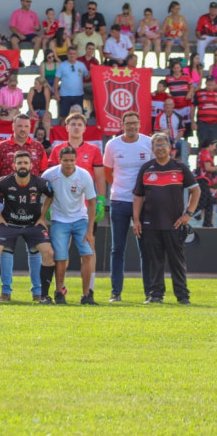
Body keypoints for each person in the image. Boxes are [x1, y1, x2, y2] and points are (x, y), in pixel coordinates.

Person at [0, 114, 49, 302]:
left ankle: (38, 293)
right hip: (8, 209)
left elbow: (47, 181)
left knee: (37, 251)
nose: (23, 129)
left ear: (30, 127)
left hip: (32, 209)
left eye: (26, 126)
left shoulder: (38, 147)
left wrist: (43, 215)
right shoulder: (1, 147)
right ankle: (5, 292)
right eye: (19, 126)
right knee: (4, 250)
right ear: (13, 127)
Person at [133, 133, 199, 305]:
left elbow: (196, 191)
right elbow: (138, 196)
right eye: (157, 145)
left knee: (176, 261)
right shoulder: (146, 168)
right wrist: (137, 220)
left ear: (170, 148)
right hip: (149, 223)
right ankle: (155, 295)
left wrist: (188, 214)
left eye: (163, 145)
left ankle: (182, 296)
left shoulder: (180, 167)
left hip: (174, 224)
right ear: (152, 149)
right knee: (154, 261)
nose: (160, 148)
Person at [102, 111, 153, 302]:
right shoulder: (112, 145)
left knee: (145, 248)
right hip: (120, 201)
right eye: (128, 124)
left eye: (134, 123)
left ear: (139, 124)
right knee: (117, 248)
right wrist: (119, 188)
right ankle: (116, 292)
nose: (131, 127)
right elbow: (108, 172)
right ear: (122, 125)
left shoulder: (148, 142)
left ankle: (150, 292)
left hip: (144, 203)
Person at [43, 147, 98, 305]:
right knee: (60, 258)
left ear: (76, 160)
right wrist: (42, 217)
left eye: (71, 160)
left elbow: (92, 203)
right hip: (59, 220)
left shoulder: (84, 175)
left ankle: (87, 295)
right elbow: (39, 194)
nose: (68, 163)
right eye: (65, 160)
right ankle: (59, 292)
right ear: (59, 160)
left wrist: (90, 230)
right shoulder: (50, 175)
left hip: (80, 219)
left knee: (87, 255)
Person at [53, 46, 89, 119]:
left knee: (79, 117)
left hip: (78, 95)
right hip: (65, 95)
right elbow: (56, 79)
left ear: (76, 55)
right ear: (67, 54)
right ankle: (62, 130)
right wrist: (56, 93)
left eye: (74, 53)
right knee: (63, 117)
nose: (72, 55)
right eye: (70, 53)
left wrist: (92, 70)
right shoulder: (62, 65)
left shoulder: (81, 65)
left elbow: (87, 77)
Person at [9, 0, 42, 65]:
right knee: (13, 40)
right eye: (27, 1)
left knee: (39, 39)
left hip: (30, 34)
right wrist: (19, 34)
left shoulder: (33, 14)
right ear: (22, 2)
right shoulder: (16, 13)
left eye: (30, 2)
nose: (29, 3)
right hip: (18, 33)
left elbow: (38, 28)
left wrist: (38, 28)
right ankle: (20, 61)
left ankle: (33, 60)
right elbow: (12, 27)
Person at [194, 139, 216, 227]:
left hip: (203, 180)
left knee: (209, 202)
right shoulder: (206, 153)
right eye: (214, 145)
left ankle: (208, 224)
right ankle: (194, 213)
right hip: (202, 179)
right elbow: (208, 168)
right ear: (210, 145)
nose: (215, 147)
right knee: (203, 201)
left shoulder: (202, 152)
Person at [194, 76, 217, 147]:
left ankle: (210, 158)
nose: (210, 83)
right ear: (205, 83)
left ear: (215, 83)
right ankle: (202, 157)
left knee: (213, 146)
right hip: (202, 123)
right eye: (208, 81)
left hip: (215, 124)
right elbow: (193, 107)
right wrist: (193, 121)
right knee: (202, 144)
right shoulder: (199, 93)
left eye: (212, 81)